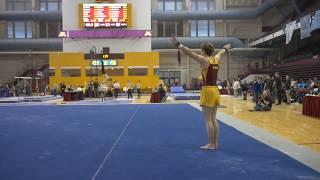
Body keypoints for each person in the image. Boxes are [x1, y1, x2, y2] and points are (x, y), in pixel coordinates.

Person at [170, 35, 231, 150]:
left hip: (207, 90)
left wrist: (178, 44)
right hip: (215, 90)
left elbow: (190, 53)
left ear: (203, 51)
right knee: (213, 119)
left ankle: (211, 144)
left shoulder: (204, 60)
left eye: (201, 50)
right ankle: (215, 143)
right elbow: (221, 52)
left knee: (208, 120)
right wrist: (225, 48)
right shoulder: (215, 59)